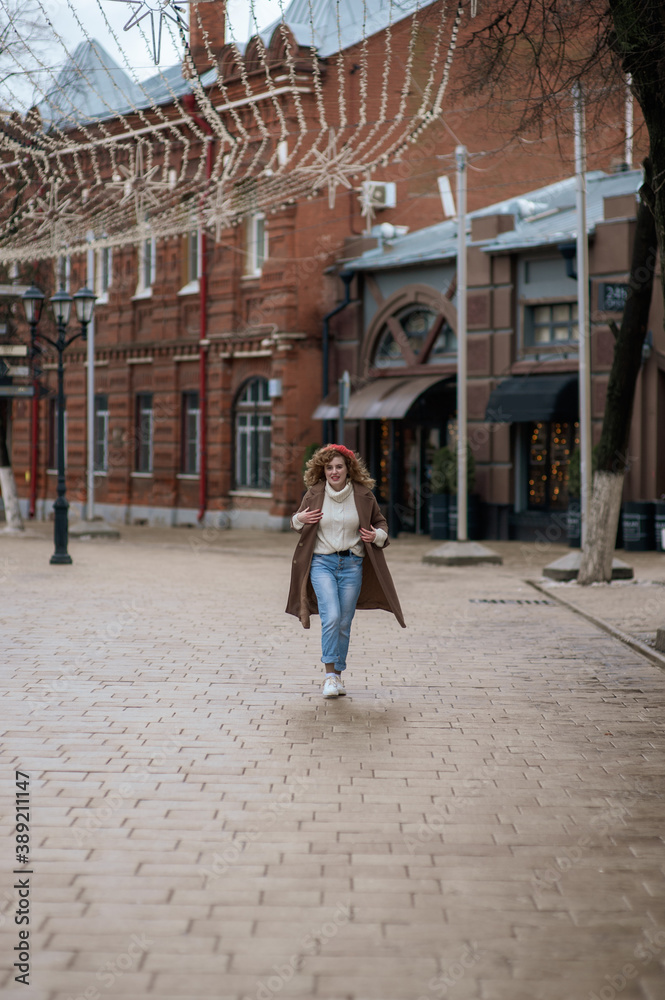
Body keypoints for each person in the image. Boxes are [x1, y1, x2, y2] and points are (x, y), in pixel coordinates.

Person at [286, 444, 406, 698]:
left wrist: (377, 535)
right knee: (331, 617)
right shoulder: (314, 493)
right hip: (322, 563)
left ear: (348, 468)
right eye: (329, 467)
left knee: (343, 621)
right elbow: (296, 520)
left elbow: (380, 522)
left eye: (339, 466)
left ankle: (337, 676)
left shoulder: (363, 495)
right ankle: (329, 676)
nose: (334, 471)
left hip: (352, 565)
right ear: (323, 470)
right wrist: (300, 520)